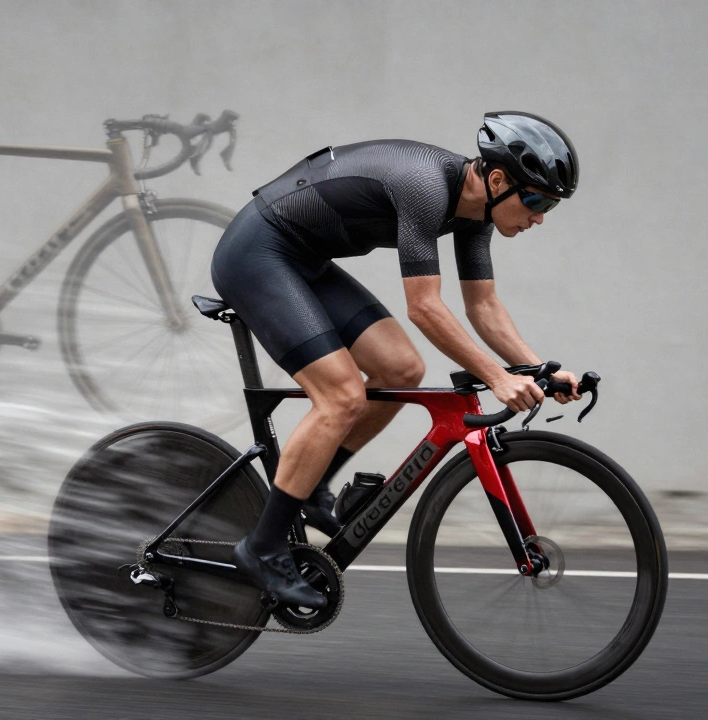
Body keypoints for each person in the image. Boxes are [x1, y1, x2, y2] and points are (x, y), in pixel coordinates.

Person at [210, 112, 583, 608]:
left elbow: (483, 306)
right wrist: (495, 377)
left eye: (549, 207)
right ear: (497, 179)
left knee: (401, 370)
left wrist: (540, 368)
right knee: (340, 396)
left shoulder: (477, 215)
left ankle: (314, 485)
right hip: (258, 252)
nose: (539, 217)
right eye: (536, 200)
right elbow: (424, 307)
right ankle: (262, 547)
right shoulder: (427, 186)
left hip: (305, 262)